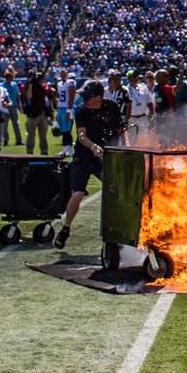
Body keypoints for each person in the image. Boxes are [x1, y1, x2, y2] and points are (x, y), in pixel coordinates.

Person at [54, 80, 125, 250]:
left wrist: (123, 148)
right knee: (77, 193)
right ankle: (66, 228)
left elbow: (120, 131)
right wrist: (93, 146)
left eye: (87, 96)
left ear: (98, 98)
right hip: (83, 155)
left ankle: (115, 232)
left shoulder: (112, 107)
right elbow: (81, 135)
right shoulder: (81, 110)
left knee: (115, 191)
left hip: (106, 156)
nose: (84, 99)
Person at [22, 73, 53, 153]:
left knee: (43, 136)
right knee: (30, 135)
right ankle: (29, 152)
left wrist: (50, 112)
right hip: (33, 114)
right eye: (39, 77)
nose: (41, 79)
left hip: (42, 113)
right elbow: (27, 94)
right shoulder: (31, 86)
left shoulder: (44, 87)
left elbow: (47, 100)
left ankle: (44, 151)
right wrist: (31, 80)